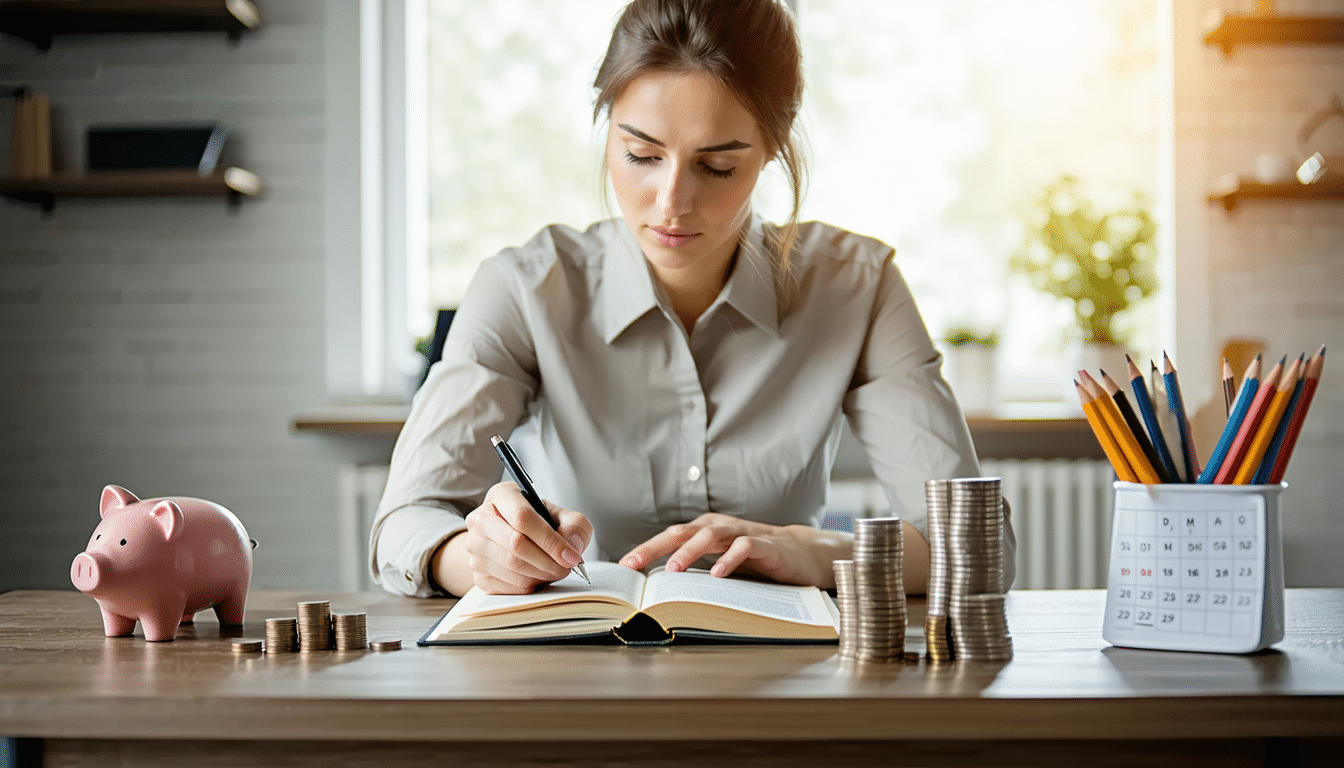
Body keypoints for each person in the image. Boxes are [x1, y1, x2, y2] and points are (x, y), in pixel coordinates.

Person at [370, 0, 1016, 599]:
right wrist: (483, 556)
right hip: (584, 654)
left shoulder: (858, 285)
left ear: (774, 146)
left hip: (785, 662)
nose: (672, 202)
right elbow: (405, 522)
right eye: (640, 154)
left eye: (717, 166)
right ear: (607, 129)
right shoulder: (524, 287)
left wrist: (815, 552)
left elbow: (980, 548)